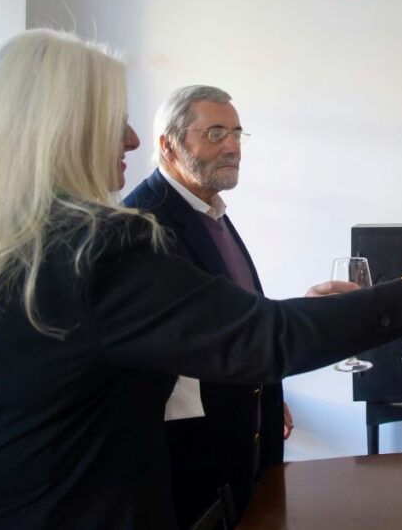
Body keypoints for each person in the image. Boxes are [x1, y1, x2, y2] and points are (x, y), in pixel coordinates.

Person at [0, 29, 402, 529]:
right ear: (54, 128)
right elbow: (262, 337)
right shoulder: (98, 246)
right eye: (115, 118)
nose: (129, 138)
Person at [125, 85, 299, 525]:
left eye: (238, 134)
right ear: (169, 144)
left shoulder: (210, 211)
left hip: (242, 434)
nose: (233, 147)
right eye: (216, 133)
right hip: (192, 458)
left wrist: (264, 393)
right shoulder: (144, 222)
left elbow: (233, 317)